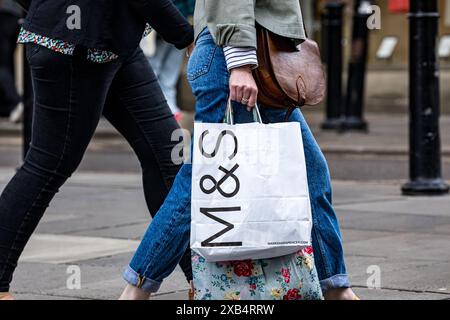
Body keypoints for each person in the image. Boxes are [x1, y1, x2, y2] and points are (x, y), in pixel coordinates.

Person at [120, 0, 359, 300]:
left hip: (254, 58)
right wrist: (240, 63)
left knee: (311, 173)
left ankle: (336, 287)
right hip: (236, 58)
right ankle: (136, 288)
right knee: (201, 183)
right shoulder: (238, 60)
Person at [0, 0, 194, 300]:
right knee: (48, 164)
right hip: (74, 47)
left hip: (115, 44)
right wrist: (187, 36)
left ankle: (202, 277)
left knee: (167, 154)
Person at [147, 0, 196, 119]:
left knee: (163, 73)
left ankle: (166, 110)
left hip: (177, 24)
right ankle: (167, 110)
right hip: (172, 24)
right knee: (158, 72)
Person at [0, 0, 22, 119]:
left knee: (2, 65)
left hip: (4, 13)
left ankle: (15, 101)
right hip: (17, 15)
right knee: (7, 62)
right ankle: (7, 105)